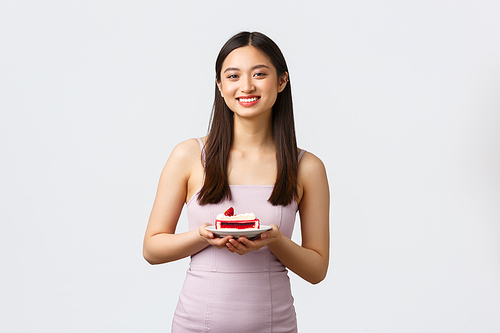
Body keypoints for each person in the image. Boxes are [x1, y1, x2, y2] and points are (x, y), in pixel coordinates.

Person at [143, 31, 330, 332]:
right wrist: (203, 236)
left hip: (274, 326)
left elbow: (317, 269)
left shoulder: (307, 167)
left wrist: (276, 240)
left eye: (259, 74)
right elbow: (152, 248)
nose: (246, 86)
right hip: (196, 325)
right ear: (219, 85)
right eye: (233, 76)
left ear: (282, 81)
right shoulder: (189, 156)